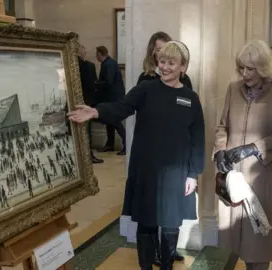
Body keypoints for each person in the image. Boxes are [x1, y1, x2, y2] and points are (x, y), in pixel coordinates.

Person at [68, 41, 205, 270]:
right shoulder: (146, 89)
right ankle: (145, 267)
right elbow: (122, 107)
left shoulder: (191, 98)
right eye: (162, 61)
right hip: (146, 169)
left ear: (183, 66)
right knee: (147, 222)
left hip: (177, 173)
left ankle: (167, 266)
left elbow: (197, 138)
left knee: (171, 224)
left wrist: (193, 174)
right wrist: (96, 111)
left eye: (172, 62)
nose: (165, 67)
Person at [213, 40, 272, 270]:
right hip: (233, 177)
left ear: (264, 67)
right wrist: (220, 150)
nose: (244, 74)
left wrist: (254, 147)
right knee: (231, 238)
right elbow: (222, 125)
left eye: (251, 69)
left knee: (258, 241)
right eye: (241, 68)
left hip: (261, 176)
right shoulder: (233, 89)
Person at [136, 31, 191, 265]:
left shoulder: (184, 83)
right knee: (148, 214)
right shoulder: (145, 80)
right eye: (157, 50)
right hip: (151, 154)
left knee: (170, 212)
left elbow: (189, 116)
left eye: (165, 49)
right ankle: (151, 257)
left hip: (174, 156)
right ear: (153, 52)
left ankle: (167, 252)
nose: (161, 55)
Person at [95, 45, 127, 155]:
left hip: (113, 98)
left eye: (97, 54)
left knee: (115, 121)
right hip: (113, 97)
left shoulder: (108, 64)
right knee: (110, 121)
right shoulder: (110, 63)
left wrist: (95, 84)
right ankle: (110, 144)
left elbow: (108, 82)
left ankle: (126, 144)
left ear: (100, 54)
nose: (96, 57)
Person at [77, 45, 103, 163]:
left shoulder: (65, 65)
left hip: (73, 102)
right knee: (86, 131)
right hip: (87, 102)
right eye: (84, 50)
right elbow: (92, 85)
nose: (86, 52)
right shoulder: (89, 66)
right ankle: (89, 156)